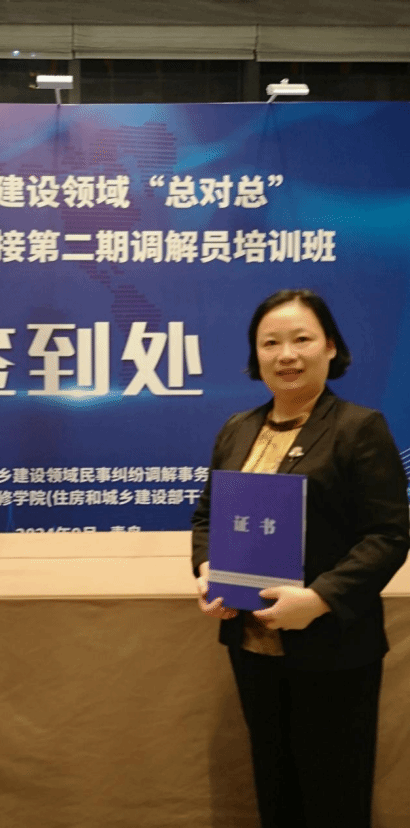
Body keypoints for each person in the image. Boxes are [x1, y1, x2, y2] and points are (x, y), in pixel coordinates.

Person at [191, 289, 409, 828]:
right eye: (270, 343)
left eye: (301, 339)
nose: (286, 354)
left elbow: (388, 534)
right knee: (275, 786)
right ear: (256, 354)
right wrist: (207, 571)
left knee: (334, 794)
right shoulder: (237, 429)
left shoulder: (359, 427)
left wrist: (319, 599)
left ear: (330, 347)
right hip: (251, 642)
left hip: (333, 646)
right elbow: (207, 518)